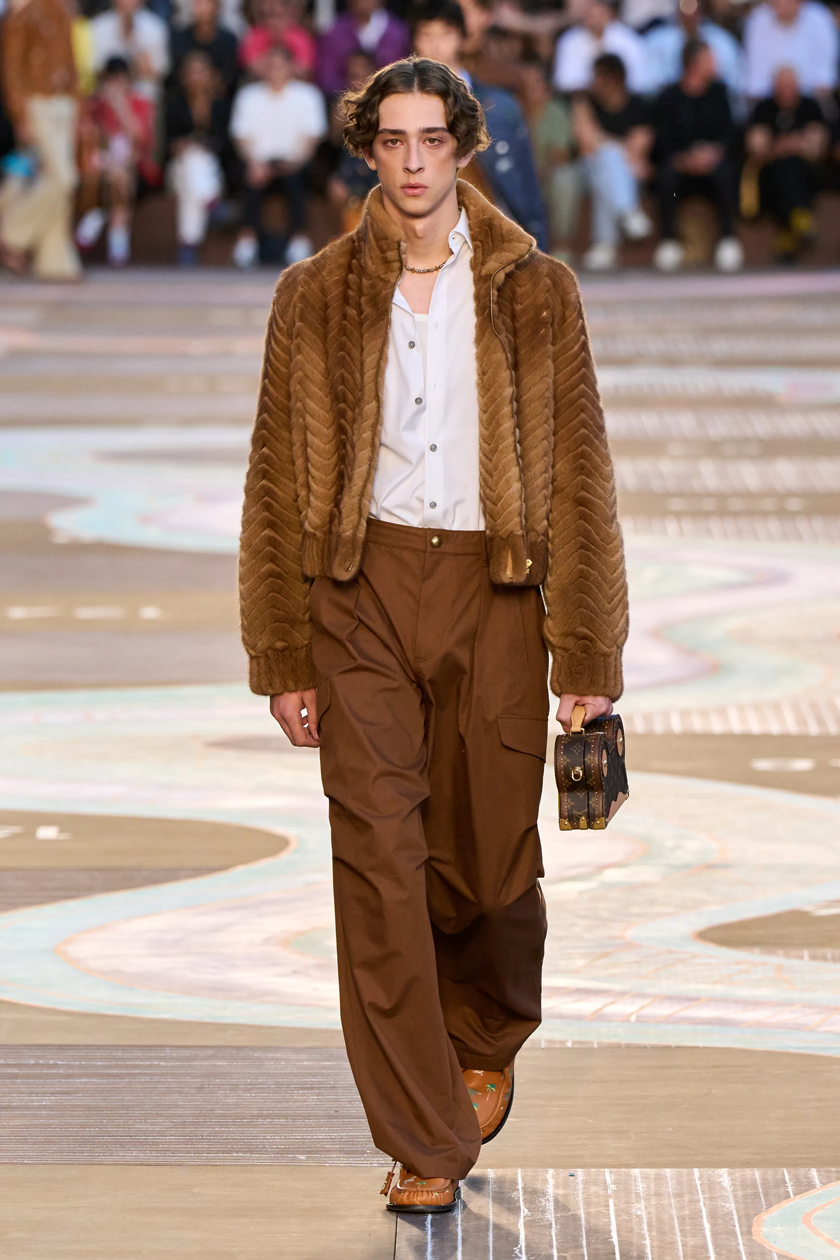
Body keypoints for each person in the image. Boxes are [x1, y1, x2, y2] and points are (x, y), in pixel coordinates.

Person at [239, 56, 627, 1215]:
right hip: (357, 593)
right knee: (377, 865)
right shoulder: (312, 295)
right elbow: (273, 481)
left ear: (464, 147)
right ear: (368, 150)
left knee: (492, 870)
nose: (412, 163)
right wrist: (284, 654)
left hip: (493, 594)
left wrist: (588, 658)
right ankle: (422, 1138)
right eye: (393, 141)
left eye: (432, 140)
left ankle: (486, 1031)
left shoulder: (536, 291)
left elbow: (581, 476)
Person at [412, 1, 548, 249]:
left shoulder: (499, 107)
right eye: (427, 35)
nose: (436, 45)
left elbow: (524, 183)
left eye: (445, 34)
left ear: (462, 38)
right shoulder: (397, 106)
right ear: (415, 41)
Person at [0, 0, 80, 280]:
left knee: (58, 183)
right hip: (38, 103)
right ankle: (11, 235)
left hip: (63, 104)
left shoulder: (61, 12)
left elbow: (71, 62)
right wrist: (20, 114)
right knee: (63, 178)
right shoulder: (22, 16)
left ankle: (54, 261)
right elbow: (12, 70)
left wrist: (76, 101)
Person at [230, 43, 327, 267]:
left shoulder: (308, 95)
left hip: (296, 161)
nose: (275, 70)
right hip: (258, 161)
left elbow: (312, 137)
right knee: (248, 178)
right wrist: (254, 163)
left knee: (297, 181)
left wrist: (297, 161)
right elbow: (241, 136)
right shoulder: (248, 96)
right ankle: (247, 240)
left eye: (280, 65)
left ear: (291, 67)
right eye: (271, 65)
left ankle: (299, 240)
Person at [653, 37, 742, 271]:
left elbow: (730, 133)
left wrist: (712, 153)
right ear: (693, 63)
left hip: (713, 166)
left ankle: (728, 239)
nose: (715, 63)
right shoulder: (669, 96)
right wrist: (684, 159)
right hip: (681, 168)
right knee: (666, 177)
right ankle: (669, 240)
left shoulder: (720, 92)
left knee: (726, 174)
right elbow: (662, 139)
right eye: (709, 59)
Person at [76, 55, 159, 266]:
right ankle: (118, 249)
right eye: (111, 80)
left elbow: (140, 138)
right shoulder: (93, 106)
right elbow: (84, 140)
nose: (116, 85)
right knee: (115, 180)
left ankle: (92, 224)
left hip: (134, 172)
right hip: (97, 172)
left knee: (119, 179)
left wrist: (119, 105)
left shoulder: (140, 103)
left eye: (121, 79)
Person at [573, 52, 653, 270]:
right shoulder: (585, 102)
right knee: (607, 159)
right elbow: (587, 143)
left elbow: (639, 148)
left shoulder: (637, 105)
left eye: (600, 76)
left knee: (606, 172)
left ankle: (605, 245)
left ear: (616, 78)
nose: (595, 81)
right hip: (588, 167)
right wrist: (617, 149)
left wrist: (606, 144)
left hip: (625, 171)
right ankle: (628, 211)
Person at [745, 65, 828, 261]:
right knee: (783, 169)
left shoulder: (810, 107)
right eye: (781, 86)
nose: (786, 91)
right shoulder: (764, 108)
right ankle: (800, 220)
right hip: (771, 171)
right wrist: (780, 147)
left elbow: (818, 145)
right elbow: (756, 147)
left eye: (790, 85)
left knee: (792, 168)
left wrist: (794, 146)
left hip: (806, 171)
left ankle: (788, 234)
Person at [166, 48, 232, 263]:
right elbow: (167, 145)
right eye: (191, 72)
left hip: (212, 172)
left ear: (211, 74)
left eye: (201, 71)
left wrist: (203, 145)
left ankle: (188, 243)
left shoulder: (221, 106)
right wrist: (183, 145)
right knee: (191, 161)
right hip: (178, 168)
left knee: (193, 181)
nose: (196, 77)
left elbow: (226, 145)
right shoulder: (174, 105)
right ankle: (212, 204)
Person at [519, 58, 581, 260]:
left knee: (565, 177)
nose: (529, 87)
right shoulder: (508, 108)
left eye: (534, 83)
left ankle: (562, 245)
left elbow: (560, 156)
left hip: (546, 174)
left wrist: (538, 171)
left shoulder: (555, 111)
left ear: (545, 87)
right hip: (513, 175)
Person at [645, 0, 744, 107]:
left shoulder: (721, 40)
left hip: (712, 100)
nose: (690, 14)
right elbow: (648, 82)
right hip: (669, 103)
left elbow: (734, 80)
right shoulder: (657, 39)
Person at [743, 0, 839, 105]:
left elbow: (825, 73)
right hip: (769, 98)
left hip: (811, 96)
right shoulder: (758, 19)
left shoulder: (819, 17)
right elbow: (755, 73)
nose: (783, 6)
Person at [553, 0, 651, 95]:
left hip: (624, 97)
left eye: (600, 15)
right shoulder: (569, 41)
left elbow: (640, 80)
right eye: (591, 16)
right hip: (586, 98)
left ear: (610, 14)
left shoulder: (628, 38)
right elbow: (565, 81)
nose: (596, 20)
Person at [317, 0, 410, 98]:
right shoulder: (334, 32)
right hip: (343, 101)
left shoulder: (399, 33)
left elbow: (403, 77)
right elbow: (327, 79)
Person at [90, 0, 170, 104]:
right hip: (108, 99)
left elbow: (161, 71)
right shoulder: (97, 26)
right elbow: (95, 70)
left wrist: (143, 66)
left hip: (145, 97)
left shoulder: (155, 27)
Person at [170, 0, 239, 97]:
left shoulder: (228, 41)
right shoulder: (179, 38)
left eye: (207, 3)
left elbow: (229, 77)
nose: (202, 8)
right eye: (198, 3)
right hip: (183, 98)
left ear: (216, 7)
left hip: (219, 98)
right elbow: (175, 76)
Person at [239, 0, 316, 79]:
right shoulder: (256, 33)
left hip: (293, 82)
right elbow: (251, 64)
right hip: (260, 82)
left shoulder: (300, 36)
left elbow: (304, 68)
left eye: (280, 16)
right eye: (271, 16)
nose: (276, 21)